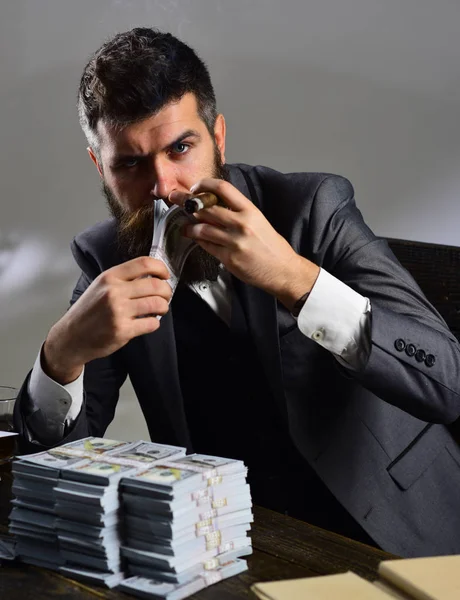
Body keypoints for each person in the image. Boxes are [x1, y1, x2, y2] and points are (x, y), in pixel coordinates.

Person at [13, 27, 460, 557]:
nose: (164, 188)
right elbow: (61, 465)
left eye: (181, 147)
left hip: (406, 531)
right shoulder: (105, 257)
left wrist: (296, 278)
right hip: (238, 544)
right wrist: (62, 354)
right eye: (130, 164)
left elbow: (448, 382)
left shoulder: (313, 207)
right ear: (99, 167)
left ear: (218, 137)